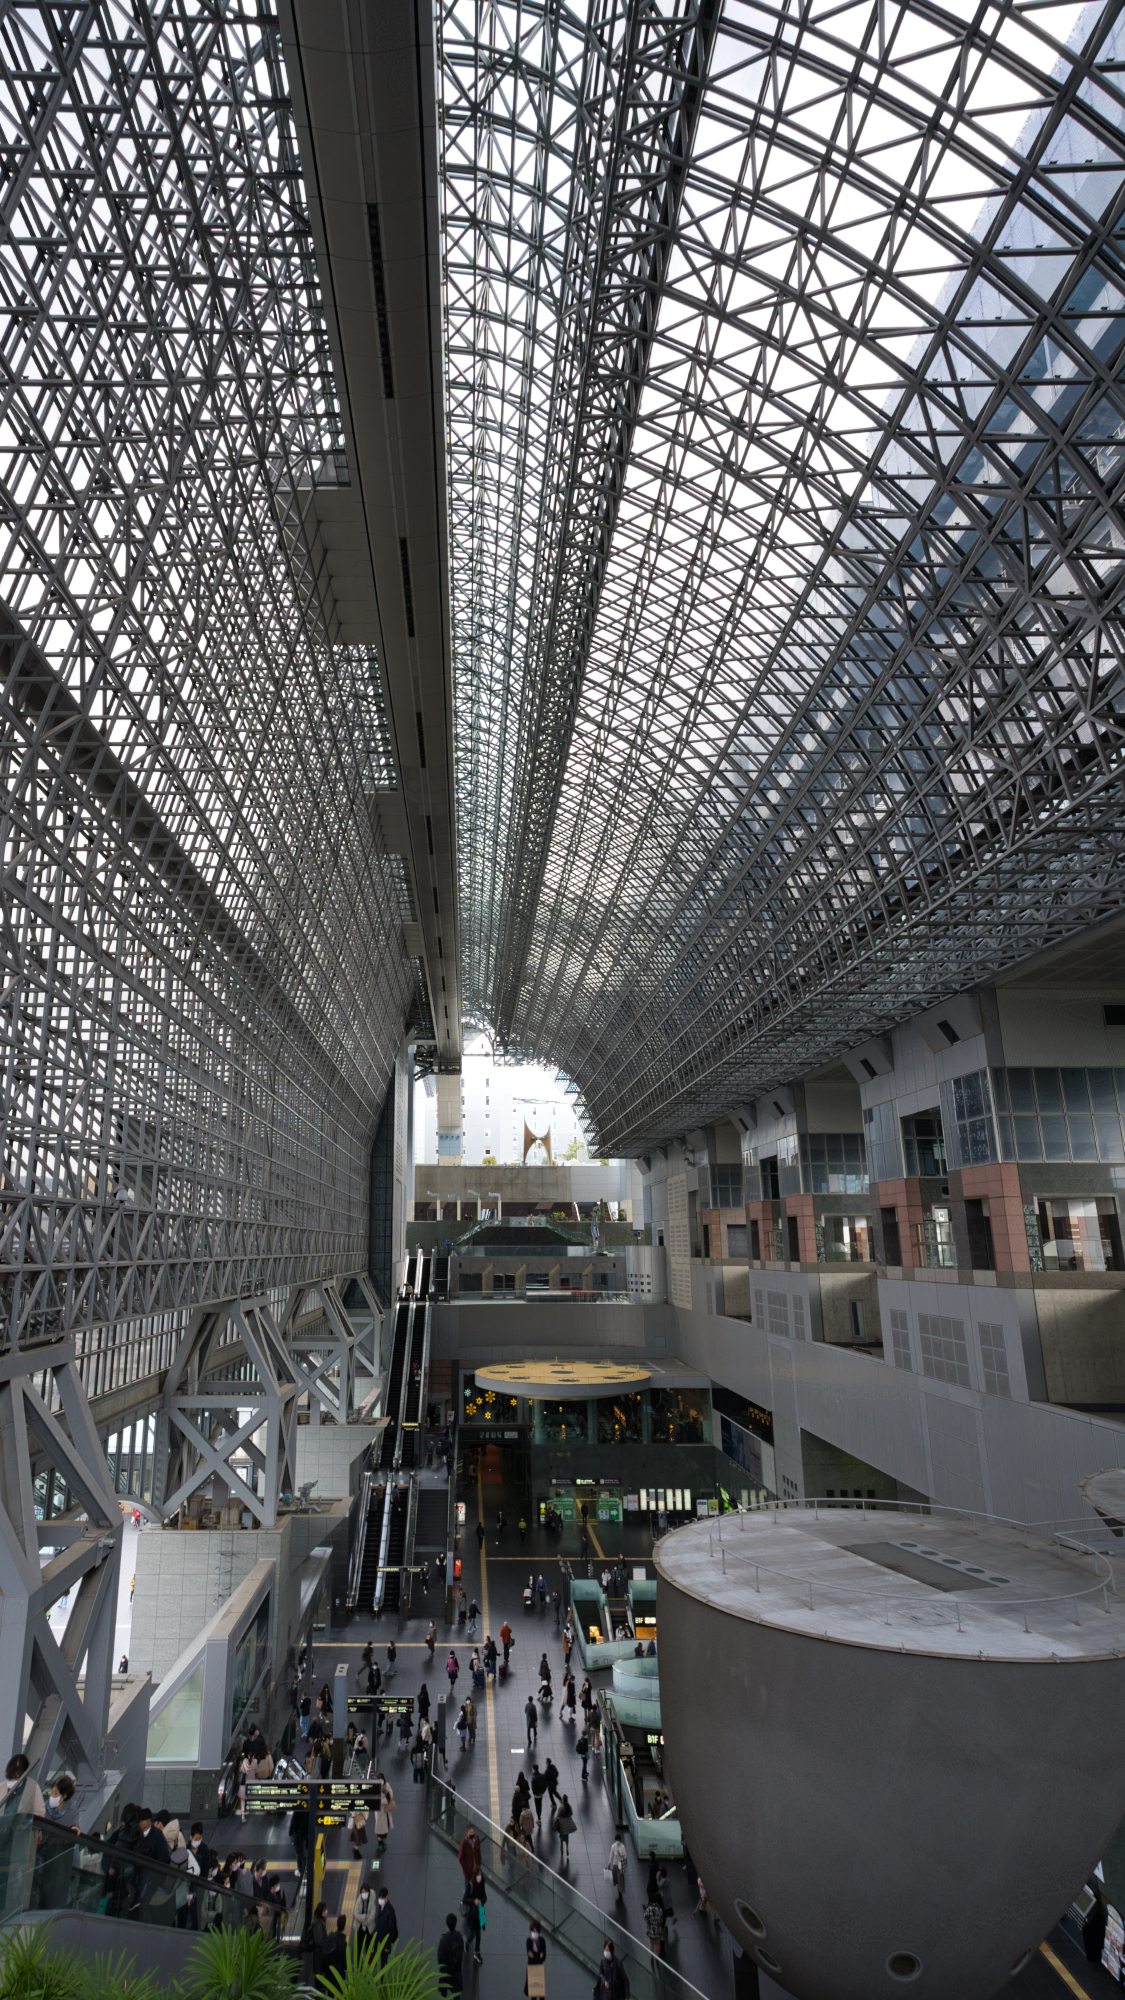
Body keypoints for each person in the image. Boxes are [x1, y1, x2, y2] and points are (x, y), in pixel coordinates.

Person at [461, 1871, 486, 1966]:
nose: (480, 1877)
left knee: (478, 1934)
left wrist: (481, 1901)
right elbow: (465, 1899)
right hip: (472, 1914)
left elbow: (484, 1898)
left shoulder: (482, 1885)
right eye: (478, 1875)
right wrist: (473, 1901)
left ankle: (477, 1951)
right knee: (473, 1933)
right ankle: (466, 1940)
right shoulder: (471, 1886)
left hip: (479, 1913)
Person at [437, 1911, 464, 1995]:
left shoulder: (444, 1940)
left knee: (444, 1988)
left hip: (446, 1970)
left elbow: (440, 1958)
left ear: (447, 1925)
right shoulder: (459, 1936)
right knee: (456, 1991)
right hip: (456, 1970)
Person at [374, 1772, 395, 1855]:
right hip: (379, 1811)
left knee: (385, 1825)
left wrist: (386, 1798)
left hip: (385, 1810)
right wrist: (384, 1800)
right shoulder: (375, 1788)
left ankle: (381, 1840)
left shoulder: (387, 1785)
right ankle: (380, 1841)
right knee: (380, 1827)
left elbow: (391, 1794)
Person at [644, 1889, 669, 1959]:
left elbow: (645, 1916)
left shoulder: (649, 1909)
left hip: (651, 1928)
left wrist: (649, 1921)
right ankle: (657, 1955)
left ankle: (652, 1955)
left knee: (651, 1943)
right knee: (657, 1943)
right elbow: (661, 1918)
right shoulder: (659, 1909)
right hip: (657, 1929)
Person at [524, 1921, 547, 1994]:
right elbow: (531, 1956)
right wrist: (539, 1957)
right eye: (533, 1931)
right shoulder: (529, 1941)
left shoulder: (542, 1941)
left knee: (540, 1993)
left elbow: (543, 1957)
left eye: (536, 1931)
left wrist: (535, 1957)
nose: (534, 1933)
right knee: (533, 1993)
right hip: (532, 1969)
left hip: (539, 1969)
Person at [374, 1886, 398, 1955]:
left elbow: (391, 1929)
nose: (380, 1900)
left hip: (384, 1942)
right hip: (378, 1939)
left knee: (383, 1961)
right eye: (379, 1898)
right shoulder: (379, 1907)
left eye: (382, 1898)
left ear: (387, 1897)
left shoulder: (390, 1910)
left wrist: (387, 1946)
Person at [308, 1901, 330, 1975]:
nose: (327, 1911)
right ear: (321, 1912)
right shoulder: (318, 1924)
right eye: (325, 1910)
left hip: (319, 1952)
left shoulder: (319, 1921)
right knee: (319, 1971)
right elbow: (320, 1940)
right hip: (319, 1953)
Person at [556, 1794, 576, 1864]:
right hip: (567, 1823)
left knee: (561, 1835)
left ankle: (561, 1846)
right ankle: (567, 1847)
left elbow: (558, 1815)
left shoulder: (561, 1807)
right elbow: (571, 1813)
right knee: (567, 1836)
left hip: (562, 1823)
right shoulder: (569, 1806)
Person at [608, 1833, 627, 1899]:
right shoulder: (613, 1846)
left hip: (620, 1864)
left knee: (620, 1878)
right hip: (615, 1864)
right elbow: (611, 1855)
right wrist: (609, 1862)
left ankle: (620, 1891)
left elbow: (625, 1856)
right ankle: (619, 1889)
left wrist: (620, 1855)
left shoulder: (622, 1847)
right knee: (617, 1877)